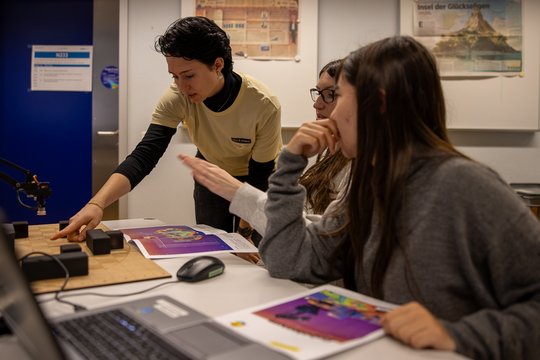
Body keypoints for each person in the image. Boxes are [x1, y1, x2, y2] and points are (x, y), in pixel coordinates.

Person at [182, 35, 540, 359]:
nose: (331, 114)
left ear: (378, 104)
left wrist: (458, 334)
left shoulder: (466, 185)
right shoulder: (371, 184)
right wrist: (289, 166)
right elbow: (291, 260)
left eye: (339, 98)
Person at [51, 16, 282, 244]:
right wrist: (97, 204)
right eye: (175, 76)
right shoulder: (177, 96)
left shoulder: (263, 104)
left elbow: (260, 174)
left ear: (218, 65)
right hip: (211, 172)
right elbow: (145, 154)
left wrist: (245, 230)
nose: (182, 86)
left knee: (261, 250)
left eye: (189, 75)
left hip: (259, 178)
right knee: (216, 246)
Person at [180, 59, 349, 236]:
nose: (317, 104)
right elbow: (298, 218)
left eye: (330, 94)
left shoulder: (358, 166)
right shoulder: (325, 150)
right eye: (318, 93)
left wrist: (237, 193)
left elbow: (316, 236)